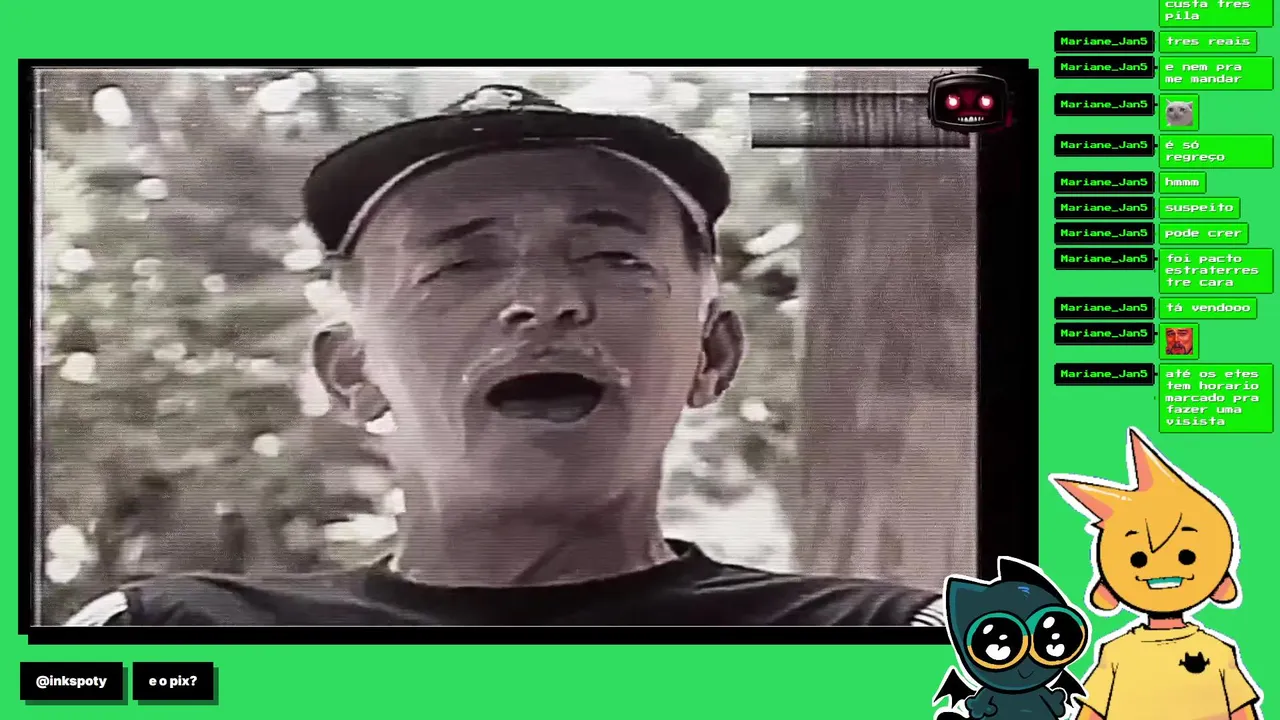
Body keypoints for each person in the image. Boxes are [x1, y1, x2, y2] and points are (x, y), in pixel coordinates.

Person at [66, 84, 944, 626]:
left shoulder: (908, 654)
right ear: (352, 372)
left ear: (712, 355)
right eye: (460, 263)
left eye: (614, 257)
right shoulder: (169, 641)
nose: (547, 301)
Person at [1052, 428, 1261, 719]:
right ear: (1106, 588)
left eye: (1187, 557)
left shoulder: (1219, 652)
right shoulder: (1115, 653)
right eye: (1138, 560)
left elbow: (1242, 713)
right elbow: (1092, 713)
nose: (1163, 570)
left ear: (1222, 582)